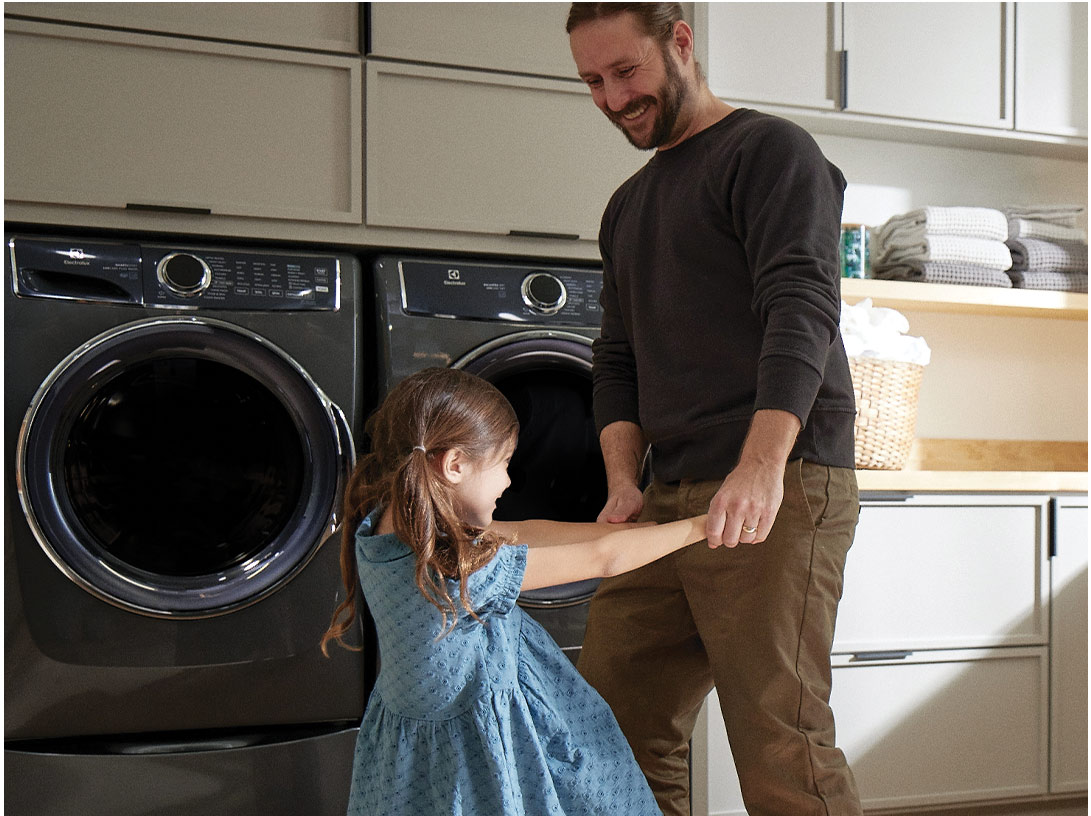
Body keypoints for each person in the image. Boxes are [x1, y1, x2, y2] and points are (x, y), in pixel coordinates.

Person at [566, 4, 863, 816]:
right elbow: (616, 358)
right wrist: (624, 481)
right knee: (607, 722)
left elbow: (802, 304)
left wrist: (760, 467)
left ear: (681, 44)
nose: (611, 98)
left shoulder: (769, 152)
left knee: (779, 740)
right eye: (592, 81)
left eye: (624, 71)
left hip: (779, 484)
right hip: (667, 496)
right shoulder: (626, 207)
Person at [322, 367, 710, 816]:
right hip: (473, 748)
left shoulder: (390, 532)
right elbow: (606, 560)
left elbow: (522, 530)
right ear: (454, 465)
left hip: (412, 748)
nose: (508, 482)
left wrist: (599, 528)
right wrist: (699, 526)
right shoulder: (459, 568)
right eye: (504, 464)